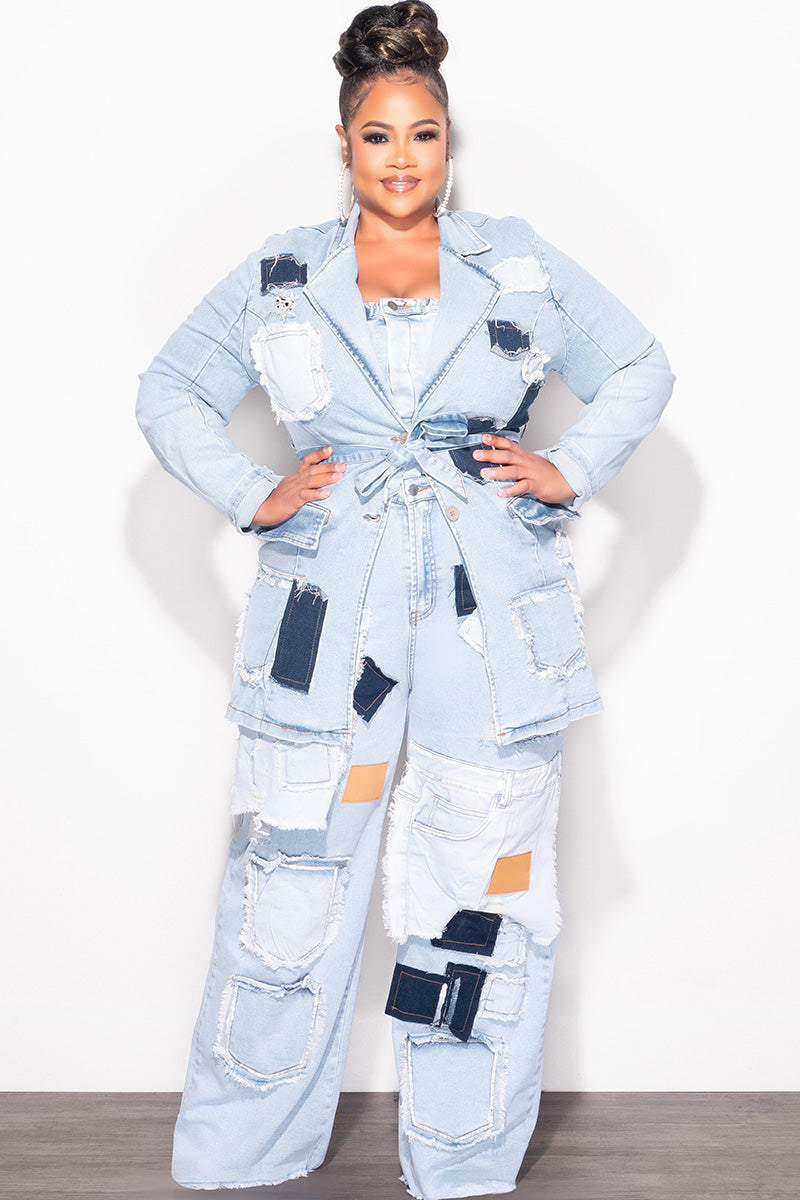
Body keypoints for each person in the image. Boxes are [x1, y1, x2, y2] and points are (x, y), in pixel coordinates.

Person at [136, 3, 676, 1196]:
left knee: (478, 883)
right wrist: (254, 492)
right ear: (343, 142)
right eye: (377, 135)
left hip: (488, 630)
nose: (400, 158)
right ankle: (245, 1150)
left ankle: (463, 1159)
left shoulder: (516, 263)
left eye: (422, 134)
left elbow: (639, 366)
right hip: (325, 628)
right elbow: (169, 391)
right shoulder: (283, 274)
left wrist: (568, 469)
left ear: (448, 141)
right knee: (291, 876)